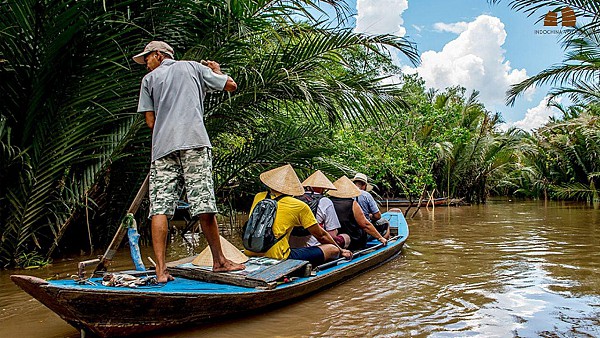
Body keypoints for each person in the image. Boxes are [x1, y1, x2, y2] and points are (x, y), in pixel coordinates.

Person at [134, 41, 244, 282]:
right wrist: (216, 70)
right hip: (193, 141)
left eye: (147, 59)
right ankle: (220, 261)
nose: (146, 65)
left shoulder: (149, 81)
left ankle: (161, 270)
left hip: (162, 147)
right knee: (203, 201)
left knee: (160, 207)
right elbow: (230, 85)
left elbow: (150, 123)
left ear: (159, 55)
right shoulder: (193, 67)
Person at [246, 164, 352, 266]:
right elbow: (321, 235)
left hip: (250, 250)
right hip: (279, 256)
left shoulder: (259, 197)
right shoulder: (298, 205)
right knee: (332, 249)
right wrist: (341, 250)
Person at [289, 170, 345, 249]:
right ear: (323, 188)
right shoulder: (325, 201)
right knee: (345, 237)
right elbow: (332, 234)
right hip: (314, 247)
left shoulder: (293, 198)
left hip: (291, 248)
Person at [329, 176, 387, 251]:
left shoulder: (328, 201)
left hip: (337, 236)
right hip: (354, 239)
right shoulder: (352, 203)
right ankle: (385, 244)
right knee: (385, 225)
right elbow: (365, 224)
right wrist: (380, 238)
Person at [352, 173, 390, 240]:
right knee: (386, 223)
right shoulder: (366, 195)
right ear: (364, 185)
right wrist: (371, 216)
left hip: (350, 228)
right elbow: (377, 216)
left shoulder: (346, 194)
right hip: (363, 230)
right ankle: (385, 239)